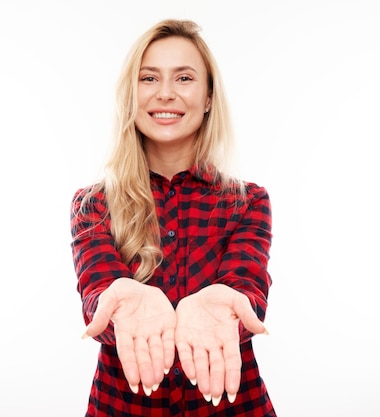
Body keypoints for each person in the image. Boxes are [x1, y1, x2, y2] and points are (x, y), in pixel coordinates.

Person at [69, 18, 276, 416]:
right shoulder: (92, 205)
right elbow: (98, 297)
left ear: (209, 96)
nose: (165, 94)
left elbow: (247, 288)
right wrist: (119, 305)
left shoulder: (248, 201)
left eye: (184, 78)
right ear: (132, 95)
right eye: (149, 79)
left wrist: (228, 305)